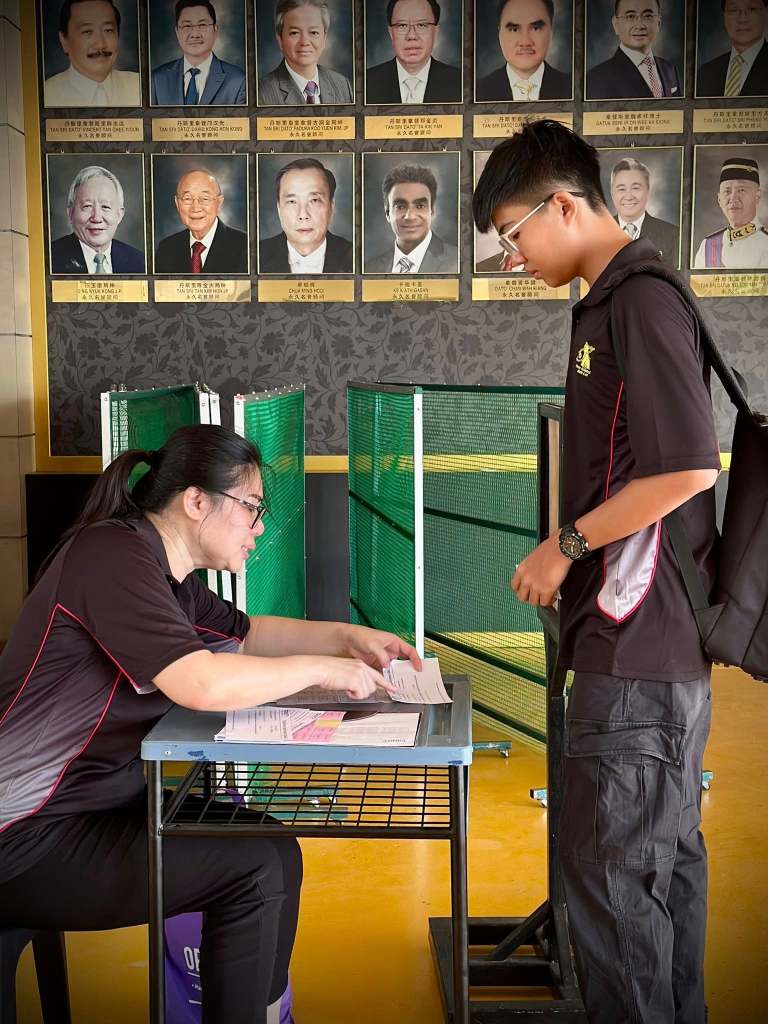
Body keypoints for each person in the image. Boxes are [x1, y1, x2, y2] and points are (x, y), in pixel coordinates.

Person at [0, 424, 419, 1023]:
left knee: (273, 850)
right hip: (25, 832)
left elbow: (249, 636)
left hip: (96, 805)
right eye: (252, 508)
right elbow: (200, 682)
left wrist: (348, 638)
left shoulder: (167, 577)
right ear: (196, 501)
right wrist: (327, 670)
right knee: (253, 871)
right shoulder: (111, 557)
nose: (259, 528)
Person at [472, 119, 720, 1024]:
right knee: (651, 879)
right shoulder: (610, 300)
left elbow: (689, 468)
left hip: (637, 651)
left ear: (563, 204)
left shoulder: (640, 300)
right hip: (641, 653)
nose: (511, 257)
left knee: (616, 890)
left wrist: (564, 546)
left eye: (512, 234)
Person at [259, 157, 353, 274]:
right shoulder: (254, 256)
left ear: (331, 206)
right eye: (292, 201)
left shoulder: (356, 257)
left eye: (314, 200)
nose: (303, 215)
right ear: (279, 208)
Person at [51, 164, 145, 274]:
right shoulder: (49, 258)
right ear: (70, 213)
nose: (96, 218)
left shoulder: (139, 262)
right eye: (87, 206)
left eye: (105, 207)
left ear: (119, 215)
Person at [44, 0, 140, 107]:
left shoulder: (139, 86)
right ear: (64, 40)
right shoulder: (47, 95)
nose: (100, 44)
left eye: (108, 30)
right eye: (87, 31)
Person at [367, 163, 459, 273]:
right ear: (387, 213)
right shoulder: (370, 268)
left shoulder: (459, 261)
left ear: (432, 211)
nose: (410, 216)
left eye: (420, 206)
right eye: (400, 207)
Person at [154, 167, 249, 274]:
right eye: (187, 198)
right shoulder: (167, 248)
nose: (195, 208)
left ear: (219, 203)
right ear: (177, 203)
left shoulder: (245, 246)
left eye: (204, 198)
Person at [258, 0, 353, 105]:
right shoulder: (262, 93)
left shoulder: (342, 85)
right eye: (294, 33)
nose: (304, 42)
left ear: (324, 38)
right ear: (280, 40)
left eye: (314, 32)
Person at [151, 1, 246, 106]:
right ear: (177, 32)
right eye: (187, 26)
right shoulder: (156, 79)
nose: (195, 34)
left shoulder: (238, 81)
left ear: (215, 30)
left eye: (202, 25)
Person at [366, 0, 462, 104]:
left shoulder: (460, 82)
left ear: (435, 32)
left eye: (421, 25)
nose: (411, 36)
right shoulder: (367, 82)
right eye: (402, 26)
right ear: (391, 33)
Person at [475, 0, 571, 102]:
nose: (525, 42)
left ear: (551, 31)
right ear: (499, 33)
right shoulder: (477, 91)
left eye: (536, 28)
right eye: (514, 29)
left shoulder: (571, 88)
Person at [586, 0, 682, 99]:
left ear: (659, 23)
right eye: (630, 16)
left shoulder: (670, 69)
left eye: (648, 16)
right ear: (616, 24)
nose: (640, 26)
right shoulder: (596, 79)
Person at [693, 156, 768, 269]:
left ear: (757, 196)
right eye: (727, 191)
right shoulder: (707, 246)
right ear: (719, 199)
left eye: (741, 190)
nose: (733, 198)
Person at [609, 157, 679, 264]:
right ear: (612, 193)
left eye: (635, 188)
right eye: (621, 189)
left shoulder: (672, 235)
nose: (628, 196)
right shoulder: (596, 235)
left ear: (648, 191)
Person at [697, 0, 768, 96]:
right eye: (733, 10)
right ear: (724, 16)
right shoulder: (706, 72)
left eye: (752, 9)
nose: (742, 19)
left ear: (766, 13)